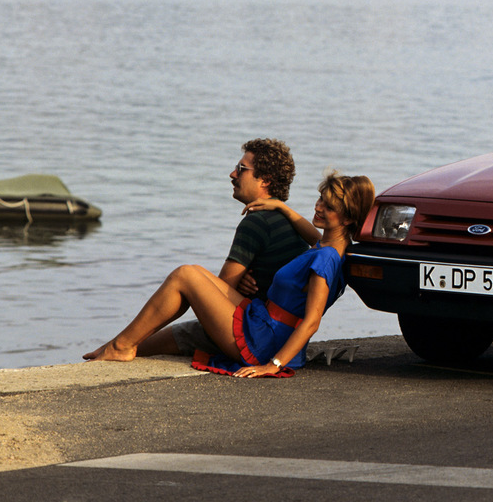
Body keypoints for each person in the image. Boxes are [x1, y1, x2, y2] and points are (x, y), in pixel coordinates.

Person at [84, 172, 375, 378]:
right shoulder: (333, 248)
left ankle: (121, 346)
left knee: (185, 275)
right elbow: (313, 234)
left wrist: (273, 365)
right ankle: (120, 344)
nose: (318, 207)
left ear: (348, 218)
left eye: (328, 206)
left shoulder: (325, 258)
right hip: (262, 321)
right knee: (195, 273)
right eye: (320, 199)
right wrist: (281, 206)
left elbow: (312, 321)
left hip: (265, 340)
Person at [144, 139, 312, 360]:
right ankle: (118, 346)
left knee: (146, 343)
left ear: (265, 180)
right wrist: (240, 284)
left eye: (241, 169)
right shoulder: (290, 222)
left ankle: (118, 347)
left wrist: (235, 284)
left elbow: (219, 294)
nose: (233, 174)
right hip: (281, 335)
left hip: (252, 334)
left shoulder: (257, 221)